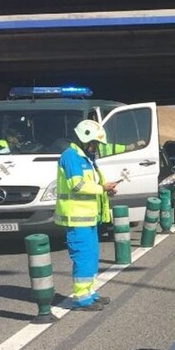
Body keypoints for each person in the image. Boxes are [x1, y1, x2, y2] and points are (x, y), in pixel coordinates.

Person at [55, 119, 119, 311]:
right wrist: (102, 188)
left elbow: (92, 184)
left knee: (92, 257)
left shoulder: (85, 159)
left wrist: (106, 190)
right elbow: (78, 185)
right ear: (85, 139)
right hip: (77, 218)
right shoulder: (72, 157)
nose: (96, 147)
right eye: (95, 143)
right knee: (83, 257)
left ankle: (90, 293)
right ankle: (82, 298)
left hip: (89, 218)